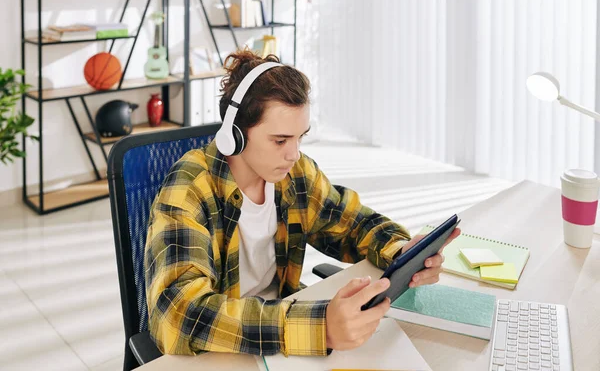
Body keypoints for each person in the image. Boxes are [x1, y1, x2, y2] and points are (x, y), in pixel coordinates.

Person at [144, 49, 460, 357]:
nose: (293, 154)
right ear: (235, 134)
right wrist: (318, 327)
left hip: (279, 337)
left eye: (300, 137)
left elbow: (351, 224)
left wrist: (402, 251)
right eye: (280, 140)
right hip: (222, 348)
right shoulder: (189, 187)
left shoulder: (294, 174)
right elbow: (179, 312)